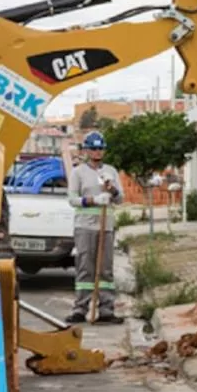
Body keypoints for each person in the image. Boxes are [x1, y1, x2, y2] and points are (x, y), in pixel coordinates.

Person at [65, 130, 125, 324]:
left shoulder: (111, 171)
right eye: (93, 149)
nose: (97, 152)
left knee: (105, 269)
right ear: (86, 151)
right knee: (85, 268)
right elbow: (72, 199)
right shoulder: (78, 172)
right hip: (85, 227)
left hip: (105, 226)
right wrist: (93, 200)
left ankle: (106, 309)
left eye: (100, 149)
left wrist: (111, 189)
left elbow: (120, 199)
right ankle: (80, 309)